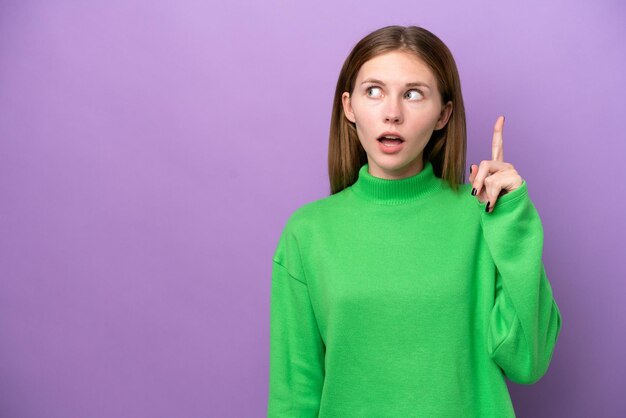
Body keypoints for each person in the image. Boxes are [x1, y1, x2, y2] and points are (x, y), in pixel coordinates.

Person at [267, 25, 562, 417]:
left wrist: (513, 221)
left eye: (413, 94)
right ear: (349, 107)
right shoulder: (308, 233)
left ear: (443, 114)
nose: (392, 113)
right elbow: (294, 396)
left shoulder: (482, 220)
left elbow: (529, 361)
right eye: (374, 91)